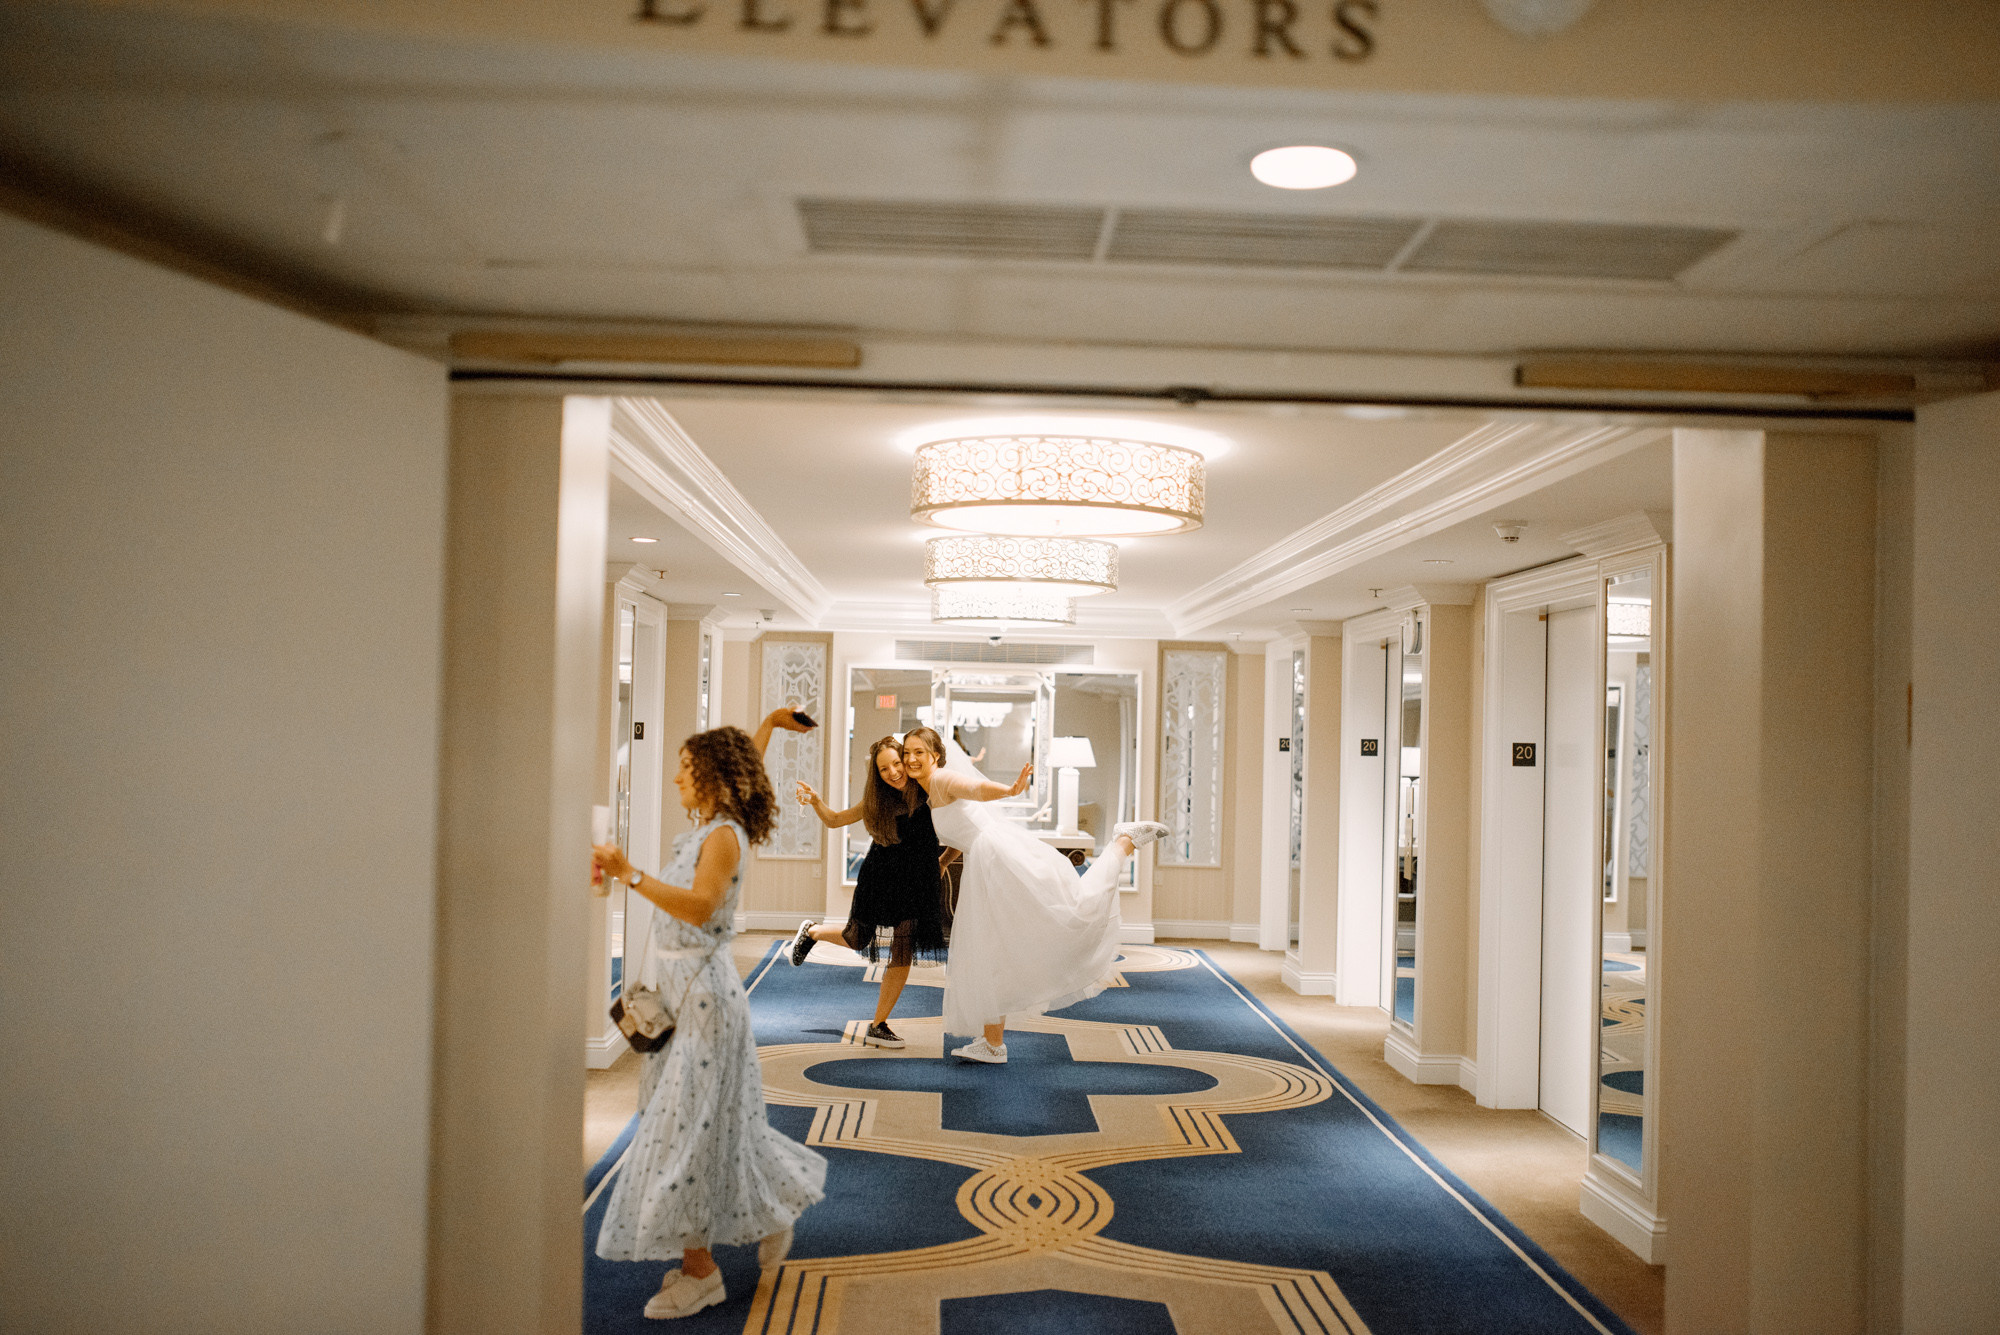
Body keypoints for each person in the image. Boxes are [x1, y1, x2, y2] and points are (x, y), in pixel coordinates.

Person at [590, 726, 827, 1321]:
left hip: (705, 1004)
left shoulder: (723, 836)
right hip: (682, 994)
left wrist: (630, 874)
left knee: (685, 1132)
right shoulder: (700, 830)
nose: (675, 777)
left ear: (713, 778)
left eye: (684, 767)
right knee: (711, 1123)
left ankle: (703, 1272)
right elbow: (741, 752)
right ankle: (774, 1209)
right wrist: (769, 722)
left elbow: (700, 906)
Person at [899, 726, 1168, 1064]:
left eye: (918, 752)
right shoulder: (926, 790)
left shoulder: (941, 780)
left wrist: (1010, 790)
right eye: (906, 753)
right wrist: (943, 861)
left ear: (935, 755)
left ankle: (1122, 843)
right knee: (992, 949)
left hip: (999, 859)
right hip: (985, 860)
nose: (911, 759)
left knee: (1071, 912)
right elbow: (964, 826)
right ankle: (992, 1043)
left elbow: (976, 789)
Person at [788, 736, 954, 1047]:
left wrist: (943, 862)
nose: (893, 772)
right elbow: (835, 820)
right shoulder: (877, 802)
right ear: (876, 775)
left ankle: (878, 1025)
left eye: (896, 763)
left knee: (903, 949)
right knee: (857, 938)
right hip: (880, 878)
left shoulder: (931, 792)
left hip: (917, 884)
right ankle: (812, 932)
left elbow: (962, 830)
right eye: (883, 769)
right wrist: (815, 801)